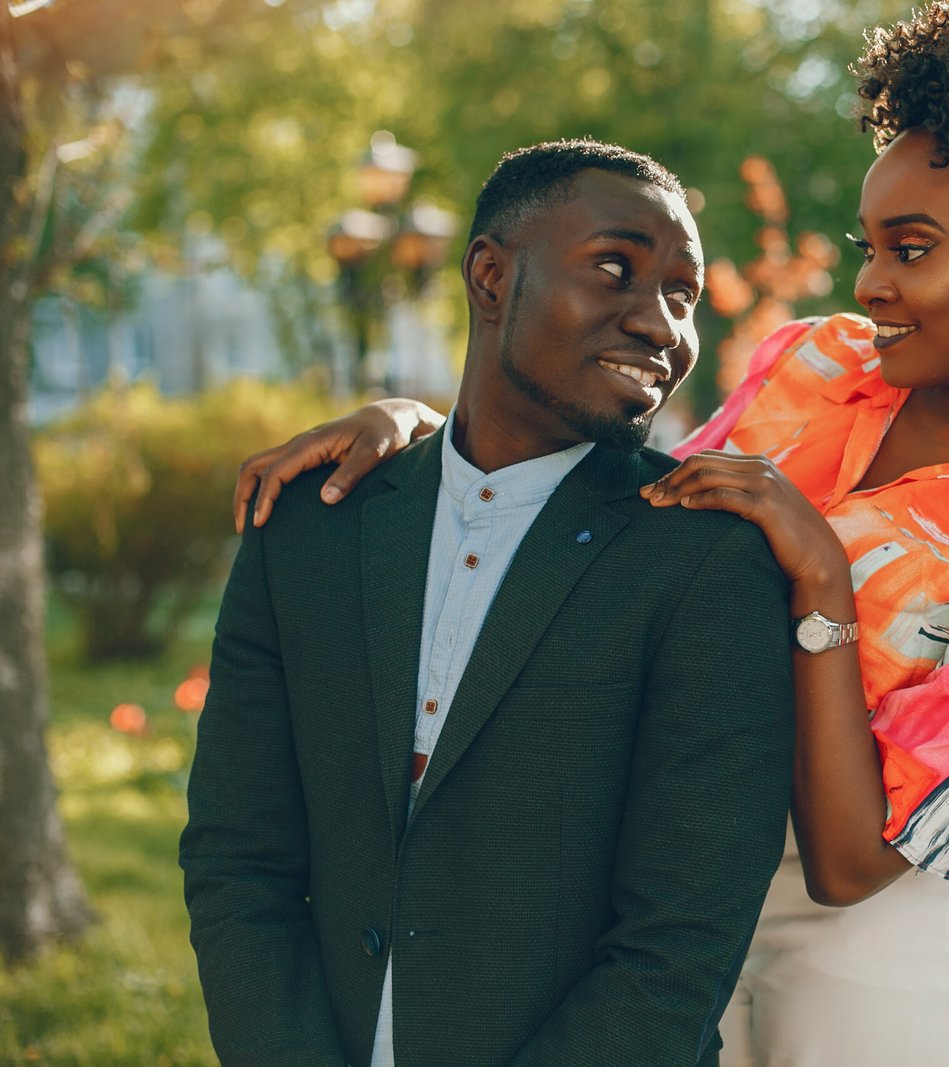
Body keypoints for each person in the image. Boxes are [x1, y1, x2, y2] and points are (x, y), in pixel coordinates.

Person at [233, 3, 949, 1063]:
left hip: (880, 947)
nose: (871, 284)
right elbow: (622, 491)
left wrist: (822, 583)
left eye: (911, 249)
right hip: (671, 877)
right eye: (869, 246)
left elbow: (847, 860)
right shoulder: (814, 367)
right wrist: (422, 433)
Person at [180, 139, 798, 1067]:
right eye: (615, 269)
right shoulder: (309, 526)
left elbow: (680, 945)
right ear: (489, 276)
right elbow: (239, 861)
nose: (661, 325)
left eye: (682, 295)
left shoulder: (706, 558)